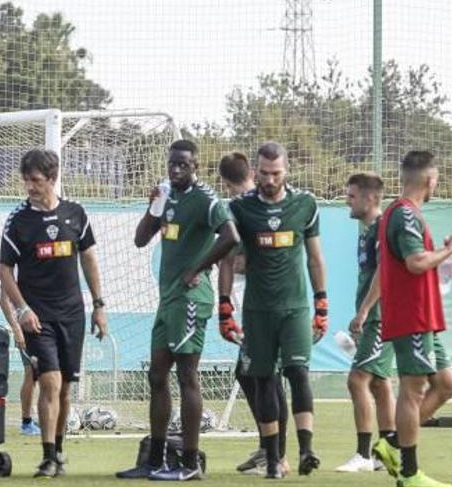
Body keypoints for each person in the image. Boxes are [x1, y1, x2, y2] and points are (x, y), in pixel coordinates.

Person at [116, 140, 239, 481]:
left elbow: (230, 236)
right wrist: (154, 207)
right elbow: (141, 239)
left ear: (196, 165)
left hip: (191, 297)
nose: (176, 169)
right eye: (172, 164)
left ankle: (189, 464)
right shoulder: (166, 195)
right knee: (156, 374)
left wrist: (198, 267)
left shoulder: (206, 199)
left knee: (187, 375)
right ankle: (154, 460)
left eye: (183, 164)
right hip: (167, 299)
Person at [219, 142, 327, 479]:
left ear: (287, 170)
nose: (270, 179)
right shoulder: (240, 208)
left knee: (298, 373)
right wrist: (224, 307)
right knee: (262, 379)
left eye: (276, 173)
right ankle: (272, 459)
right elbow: (228, 259)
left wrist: (322, 301)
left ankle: (307, 449)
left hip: (295, 306)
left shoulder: (305, 205)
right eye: (264, 174)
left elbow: (314, 257)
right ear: (255, 171)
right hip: (257, 310)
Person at [0, 149, 108, 478]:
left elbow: (88, 259)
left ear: (52, 178)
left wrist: (99, 305)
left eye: (36, 180)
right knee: (49, 380)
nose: (30, 187)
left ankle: (58, 452)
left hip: (72, 314)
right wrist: (22, 309)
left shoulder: (75, 214)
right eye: (26, 180)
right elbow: (4, 271)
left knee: (64, 388)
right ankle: (46, 456)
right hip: (37, 316)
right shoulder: (18, 220)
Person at [372, 151, 452, 487]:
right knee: (412, 390)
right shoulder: (405, 215)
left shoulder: (402, 213)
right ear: (430, 180)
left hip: (423, 317)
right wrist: (449, 250)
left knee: (446, 384)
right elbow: (416, 262)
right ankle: (409, 474)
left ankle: (393, 444)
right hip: (413, 315)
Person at [216, 152, 291, 476]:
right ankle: (267, 446)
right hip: (253, 303)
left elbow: (262, 256)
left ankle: (280, 457)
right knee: (249, 375)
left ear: (223, 181)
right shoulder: (242, 205)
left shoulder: (253, 206)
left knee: (267, 378)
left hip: (270, 304)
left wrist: (229, 262)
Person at [335, 173, 395, 473]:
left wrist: (364, 313)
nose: (347, 199)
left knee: (357, 380)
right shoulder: (366, 229)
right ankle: (387, 454)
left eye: (352, 194)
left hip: (380, 319)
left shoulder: (382, 227)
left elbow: (384, 273)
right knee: (381, 385)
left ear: (371, 198)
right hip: (375, 317)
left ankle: (363, 455)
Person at [0, 291, 42, 436]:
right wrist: (16, 328)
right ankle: (27, 422)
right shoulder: (11, 270)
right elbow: (4, 300)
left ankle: (47, 418)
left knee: (53, 372)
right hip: (27, 328)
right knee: (32, 372)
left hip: (48, 322)